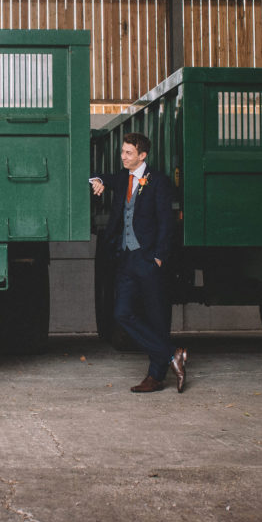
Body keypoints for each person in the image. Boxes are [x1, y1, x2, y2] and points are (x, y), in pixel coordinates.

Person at [89, 132, 187, 393]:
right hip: (126, 259)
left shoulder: (158, 182)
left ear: (142, 155)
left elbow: (166, 224)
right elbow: (98, 176)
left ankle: (155, 376)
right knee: (122, 313)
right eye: (122, 151)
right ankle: (171, 354)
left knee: (156, 318)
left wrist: (158, 258)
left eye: (128, 153)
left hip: (148, 259)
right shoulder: (123, 178)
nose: (123, 156)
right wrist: (97, 181)